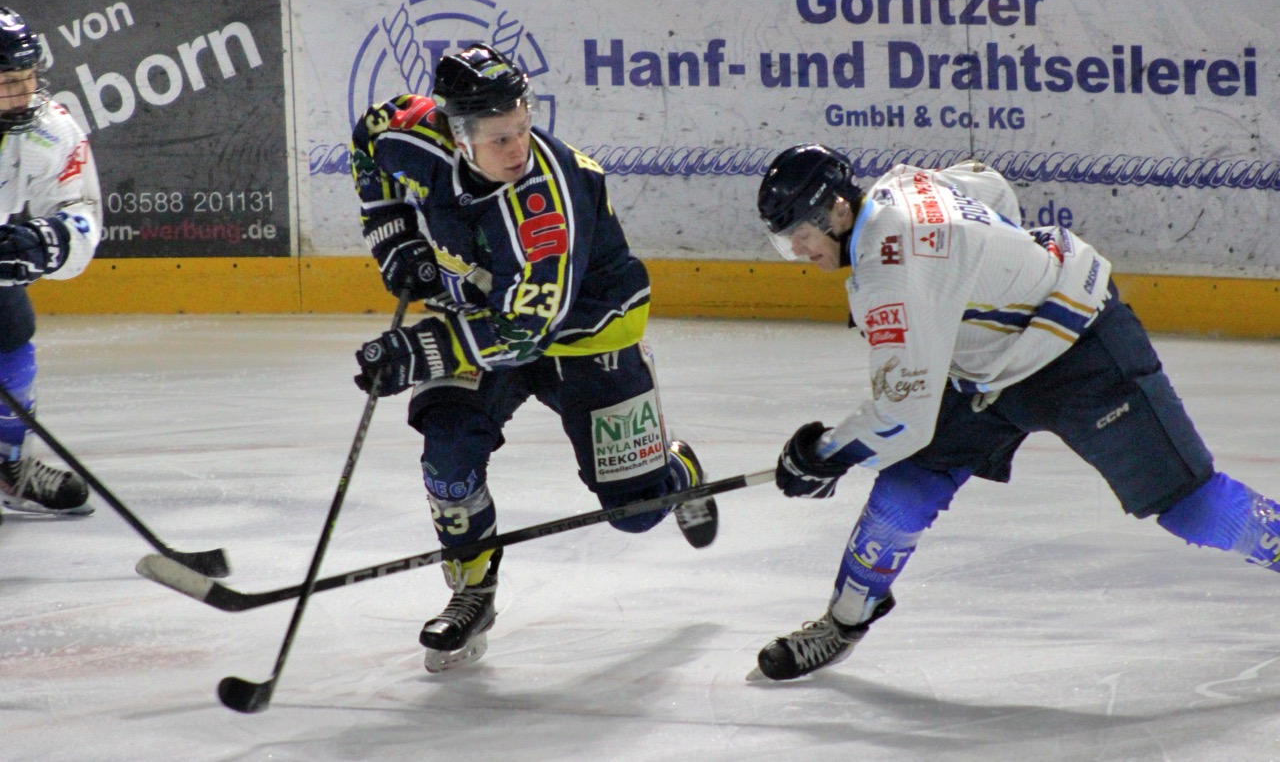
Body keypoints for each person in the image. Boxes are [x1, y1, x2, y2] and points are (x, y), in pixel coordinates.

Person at [749, 144, 1280, 681]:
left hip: (1082, 352)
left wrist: (822, 455)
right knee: (907, 487)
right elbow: (990, 185)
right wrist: (990, 275)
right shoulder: (903, 184)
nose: (798, 249)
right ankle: (844, 622)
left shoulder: (891, 275)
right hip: (994, 368)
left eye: (802, 233)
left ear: (839, 210)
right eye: (787, 238)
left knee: (1194, 508)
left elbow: (903, 416)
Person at [348, 42, 718, 672]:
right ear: (457, 133)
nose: (518, 148)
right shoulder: (414, 133)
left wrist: (418, 351)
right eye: (500, 138)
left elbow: (524, 331)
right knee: (447, 444)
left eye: (522, 128)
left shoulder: (542, 203)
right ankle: (473, 589)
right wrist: (394, 233)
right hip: (487, 316)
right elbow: (368, 140)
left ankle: (677, 471)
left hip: (589, 331)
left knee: (634, 513)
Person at [0, 7, 102, 520]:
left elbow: (80, 208)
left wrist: (45, 242)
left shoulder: (48, 128)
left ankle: (8, 467)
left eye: (27, 78)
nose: (23, 94)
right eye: (7, 82)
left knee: (11, 324)